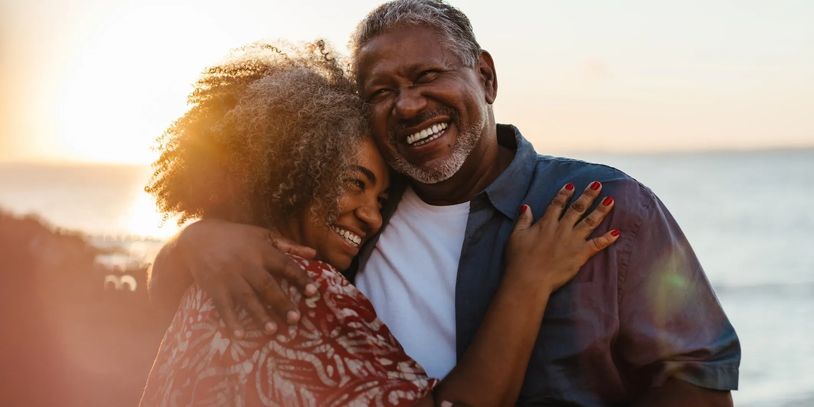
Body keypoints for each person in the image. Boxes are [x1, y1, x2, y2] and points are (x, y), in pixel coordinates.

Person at [150, 1, 741, 405]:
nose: (408, 105)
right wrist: (195, 239)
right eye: (382, 91)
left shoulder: (604, 207)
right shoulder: (350, 222)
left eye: (427, 74)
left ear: (484, 76)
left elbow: (698, 377)